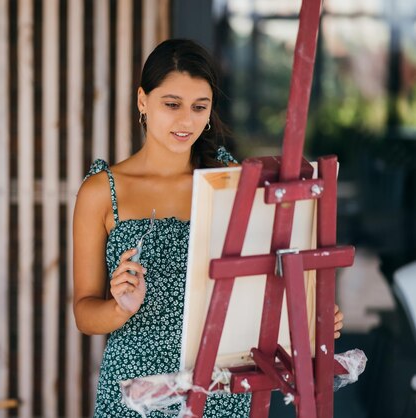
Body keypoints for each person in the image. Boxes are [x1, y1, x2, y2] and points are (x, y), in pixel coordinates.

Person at [72, 39, 344, 417]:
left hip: (220, 384)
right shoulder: (102, 191)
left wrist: (307, 313)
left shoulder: (232, 182)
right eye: (172, 104)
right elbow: (84, 313)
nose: (187, 121)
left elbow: (267, 273)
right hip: (135, 388)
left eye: (200, 107)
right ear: (142, 101)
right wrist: (120, 308)